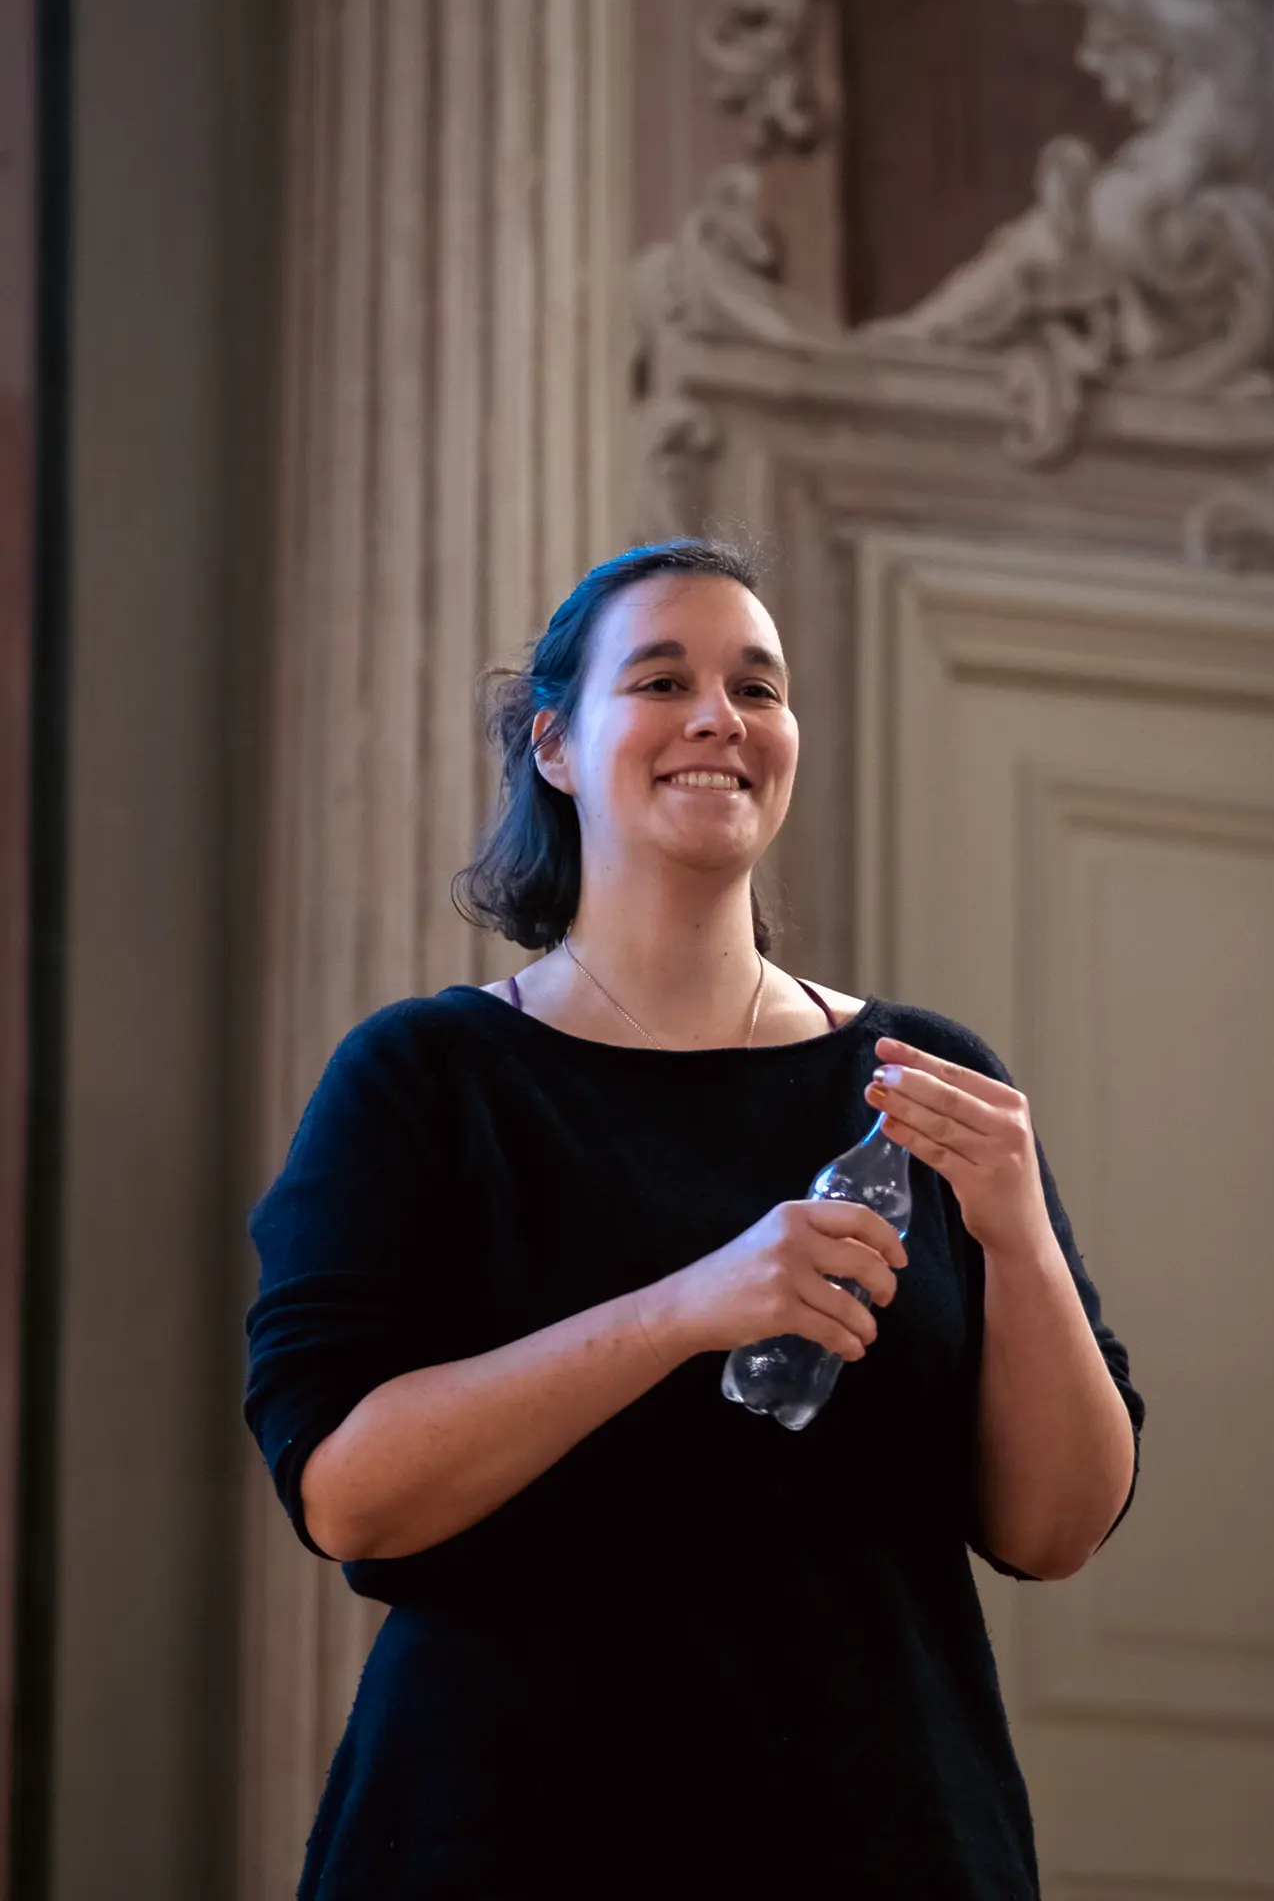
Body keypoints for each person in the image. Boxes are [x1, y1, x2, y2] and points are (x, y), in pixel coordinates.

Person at [244, 537, 1145, 1899]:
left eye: (758, 688)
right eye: (662, 679)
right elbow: (348, 1494)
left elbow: (1055, 1529)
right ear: (554, 745)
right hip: (498, 1837)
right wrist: (683, 1309)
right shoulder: (427, 1077)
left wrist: (1016, 1237)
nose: (720, 718)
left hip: (888, 1843)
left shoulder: (925, 1080)